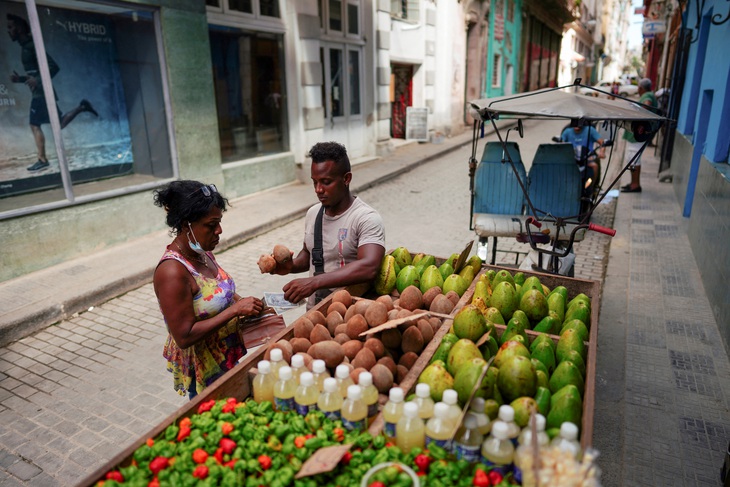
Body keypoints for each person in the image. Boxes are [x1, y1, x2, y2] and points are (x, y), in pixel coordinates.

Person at [153, 180, 264, 399]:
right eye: (211, 225)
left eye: (219, 222)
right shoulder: (172, 273)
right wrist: (235, 310)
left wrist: (248, 305)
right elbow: (184, 335)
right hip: (205, 373)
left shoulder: (201, 252)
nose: (219, 230)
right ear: (187, 226)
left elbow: (218, 291)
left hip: (226, 360)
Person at [272, 141, 386, 308]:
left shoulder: (366, 218)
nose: (318, 189)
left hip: (352, 315)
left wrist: (314, 282)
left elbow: (369, 266)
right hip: (316, 312)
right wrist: (290, 266)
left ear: (346, 178)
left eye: (326, 182)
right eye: (314, 182)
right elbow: (310, 256)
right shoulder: (313, 213)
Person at [7, 13, 98, 172]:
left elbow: (53, 67)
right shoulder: (25, 47)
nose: (8, 31)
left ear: (20, 28)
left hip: (41, 94)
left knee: (34, 124)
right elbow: (33, 75)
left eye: (10, 27)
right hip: (41, 92)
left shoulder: (32, 46)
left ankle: (42, 160)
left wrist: (38, 81)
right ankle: (81, 107)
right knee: (60, 123)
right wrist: (20, 79)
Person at [621, 78, 659, 193]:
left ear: (640, 88)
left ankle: (635, 185)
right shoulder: (649, 94)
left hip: (639, 134)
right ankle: (633, 183)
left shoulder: (647, 95)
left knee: (634, 159)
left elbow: (647, 104)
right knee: (632, 159)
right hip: (637, 134)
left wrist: (638, 112)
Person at [560, 119, 606, 195]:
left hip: (587, 158)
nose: (577, 126)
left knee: (595, 166)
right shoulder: (567, 131)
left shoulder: (590, 130)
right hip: (572, 159)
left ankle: (593, 186)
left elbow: (602, 142)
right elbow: (561, 143)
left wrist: (602, 152)